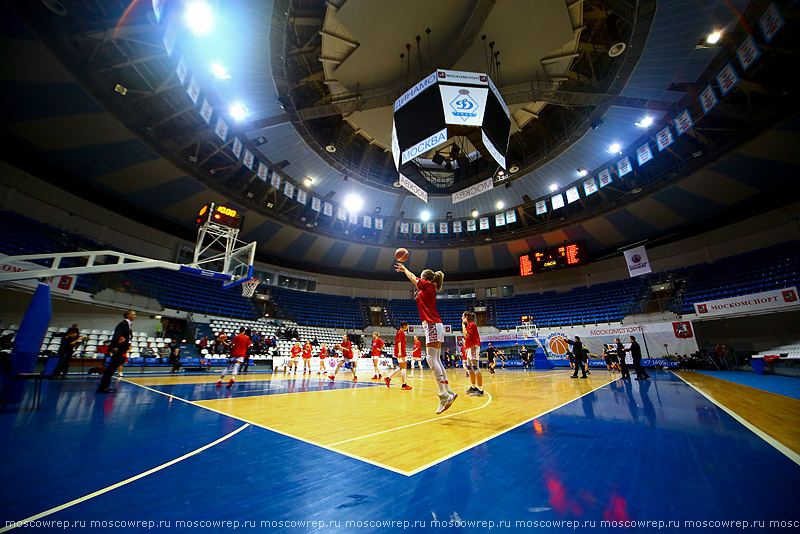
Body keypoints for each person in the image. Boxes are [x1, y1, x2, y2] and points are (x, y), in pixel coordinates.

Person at [395, 262, 456, 414]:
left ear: (424, 278)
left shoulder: (428, 285)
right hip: (433, 324)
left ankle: (443, 395)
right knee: (436, 359)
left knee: (430, 359)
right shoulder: (425, 288)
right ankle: (448, 391)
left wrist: (404, 270)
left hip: (432, 324)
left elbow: (412, 278)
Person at [97, 310, 135, 393]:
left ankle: (105, 386)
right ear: (128, 316)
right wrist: (115, 346)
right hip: (119, 349)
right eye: (133, 314)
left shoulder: (128, 324)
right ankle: (103, 387)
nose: (135, 316)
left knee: (113, 368)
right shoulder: (123, 324)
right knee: (111, 368)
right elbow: (117, 335)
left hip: (123, 348)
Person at [462, 311, 484, 397]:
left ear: (466, 317)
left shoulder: (471, 324)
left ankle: (480, 390)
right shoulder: (469, 325)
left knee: (476, 368)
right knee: (469, 367)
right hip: (470, 347)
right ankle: (473, 387)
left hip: (474, 347)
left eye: (463, 316)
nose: (462, 318)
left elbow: (466, 335)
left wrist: (463, 325)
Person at [385, 322, 411, 390]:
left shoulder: (401, 332)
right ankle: (403, 385)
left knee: (401, 367)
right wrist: (399, 352)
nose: (407, 327)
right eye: (407, 326)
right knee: (404, 367)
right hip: (401, 352)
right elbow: (399, 342)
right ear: (404, 325)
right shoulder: (400, 332)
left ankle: (388, 378)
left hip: (402, 351)